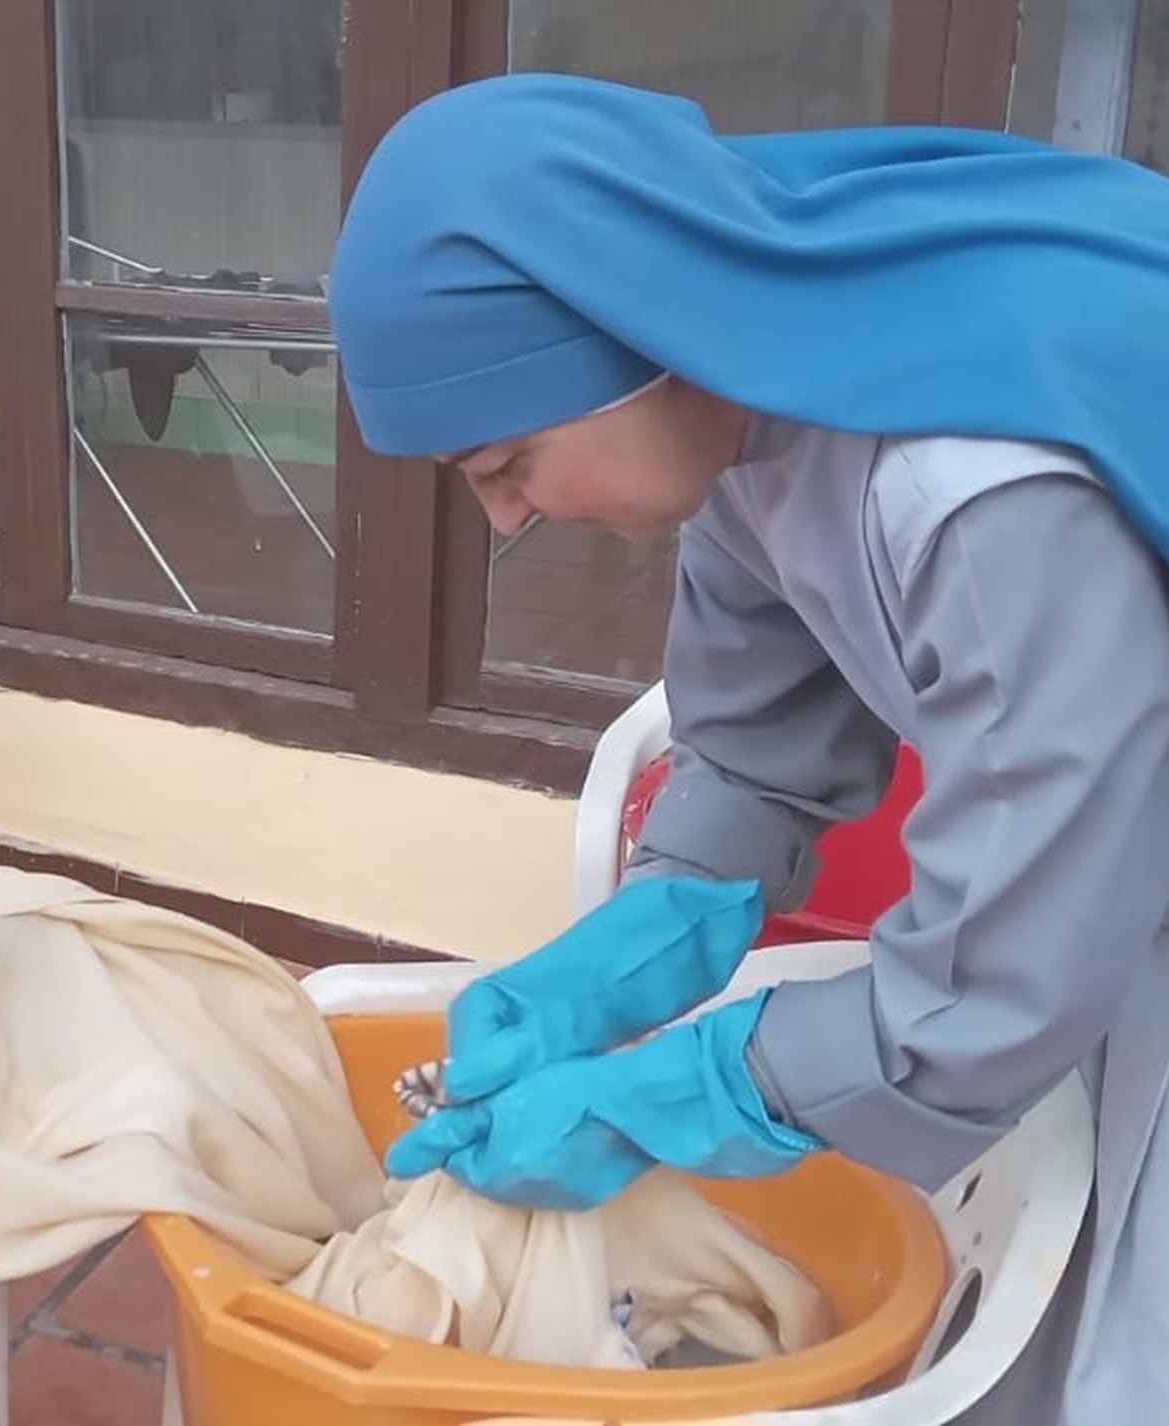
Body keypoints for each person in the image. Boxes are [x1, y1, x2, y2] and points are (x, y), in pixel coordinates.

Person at [326, 71, 1169, 1423]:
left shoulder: (987, 492)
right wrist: (633, 944)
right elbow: (758, 744)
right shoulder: (761, 388)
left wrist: (689, 1085)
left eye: (513, 460)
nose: (505, 520)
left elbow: (1002, 978)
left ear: (631, 342)